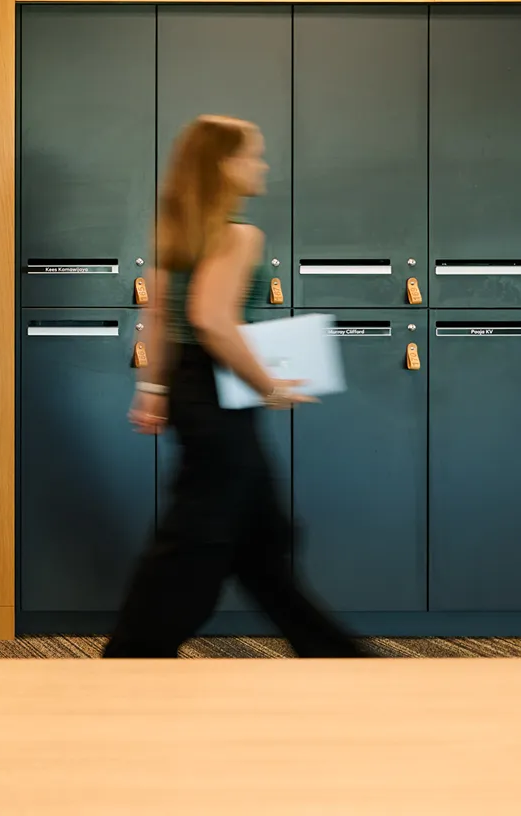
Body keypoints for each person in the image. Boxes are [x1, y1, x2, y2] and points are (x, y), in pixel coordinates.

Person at [105, 116, 365, 658]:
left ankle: (334, 655)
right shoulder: (239, 234)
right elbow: (212, 319)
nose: (261, 165)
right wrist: (269, 385)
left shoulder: (176, 229)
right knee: (196, 537)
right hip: (217, 391)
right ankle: (133, 653)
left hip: (189, 388)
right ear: (223, 164)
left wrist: (152, 389)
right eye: (252, 154)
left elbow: (156, 314)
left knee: (262, 539)